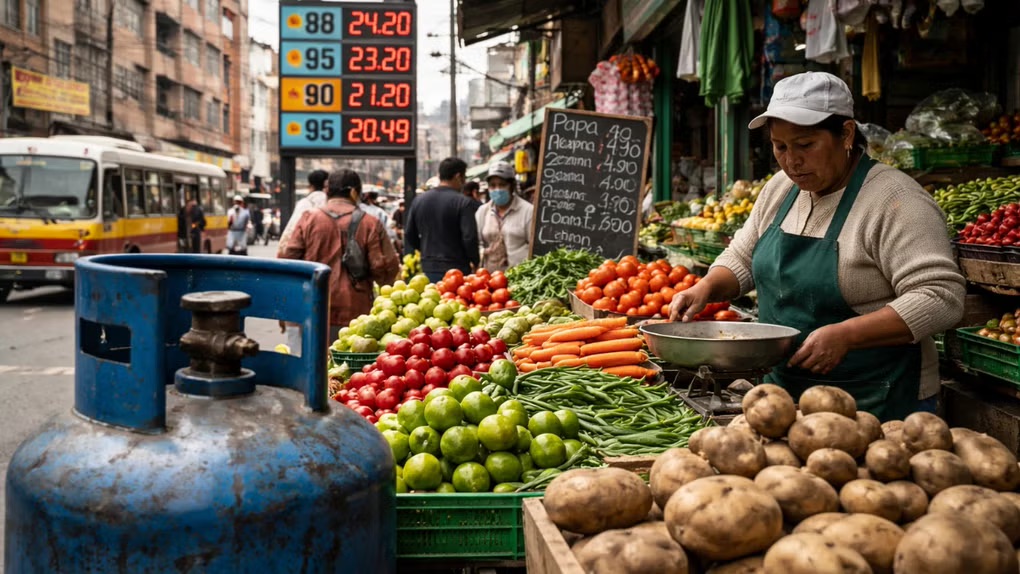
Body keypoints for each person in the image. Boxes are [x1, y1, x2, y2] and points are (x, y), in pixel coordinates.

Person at [668, 71, 965, 421]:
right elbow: (743, 256)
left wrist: (846, 335)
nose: (791, 160)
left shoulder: (895, 200)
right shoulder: (780, 189)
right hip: (784, 397)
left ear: (846, 134)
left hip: (875, 401)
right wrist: (707, 287)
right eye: (780, 147)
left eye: (805, 145)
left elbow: (940, 296)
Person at [280, 169, 400, 343]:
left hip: (313, 306)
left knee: (315, 364)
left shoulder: (308, 218)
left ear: (327, 191)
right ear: (353, 192)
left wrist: (285, 307)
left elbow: (289, 261)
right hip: (356, 311)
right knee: (348, 365)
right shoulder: (370, 223)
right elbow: (384, 267)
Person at [404, 157, 480, 283]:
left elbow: (409, 233)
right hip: (457, 268)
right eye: (464, 178)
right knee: (454, 302)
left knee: (432, 300)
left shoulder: (419, 201)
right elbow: (469, 237)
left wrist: (424, 249)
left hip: (429, 267)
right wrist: (475, 261)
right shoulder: (463, 203)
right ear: (458, 176)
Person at [475, 161, 534, 272]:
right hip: (491, 278)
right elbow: (478, 243)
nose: (497, 189)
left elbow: (534, 246)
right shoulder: (482, 212)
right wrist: (483, 252)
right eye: (492, 185)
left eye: (502, 185)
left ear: (511, 186)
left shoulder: (528, 211)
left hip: (520, 276)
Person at [278, 169, 329, 253]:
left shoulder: (304, 203)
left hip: (307, 256)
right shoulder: (332, 204)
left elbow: (290, 232)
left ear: (311, 186)